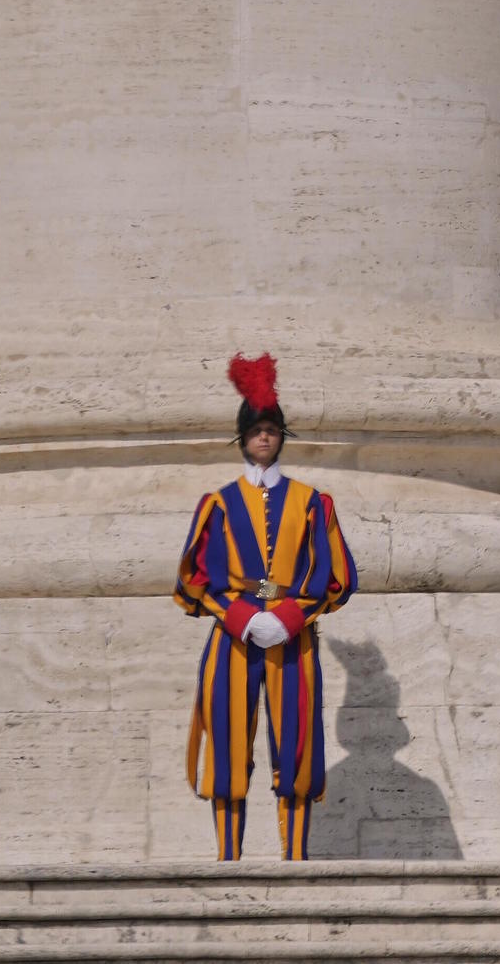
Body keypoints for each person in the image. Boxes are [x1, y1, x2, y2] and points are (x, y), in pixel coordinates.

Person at [175, 354, 356, 859]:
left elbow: (336, 576)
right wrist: (244, 617)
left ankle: (295, 859)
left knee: (295, 746)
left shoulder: (312, 502)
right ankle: (228, 860)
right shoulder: (218, 503)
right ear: (243, 436)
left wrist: (287, 618)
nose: (264, 437)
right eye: (255, 429)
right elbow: (194, 578)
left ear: (281, 436)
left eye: (272, 428)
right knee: (230, 746)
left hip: (291, 639)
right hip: (233, 638)